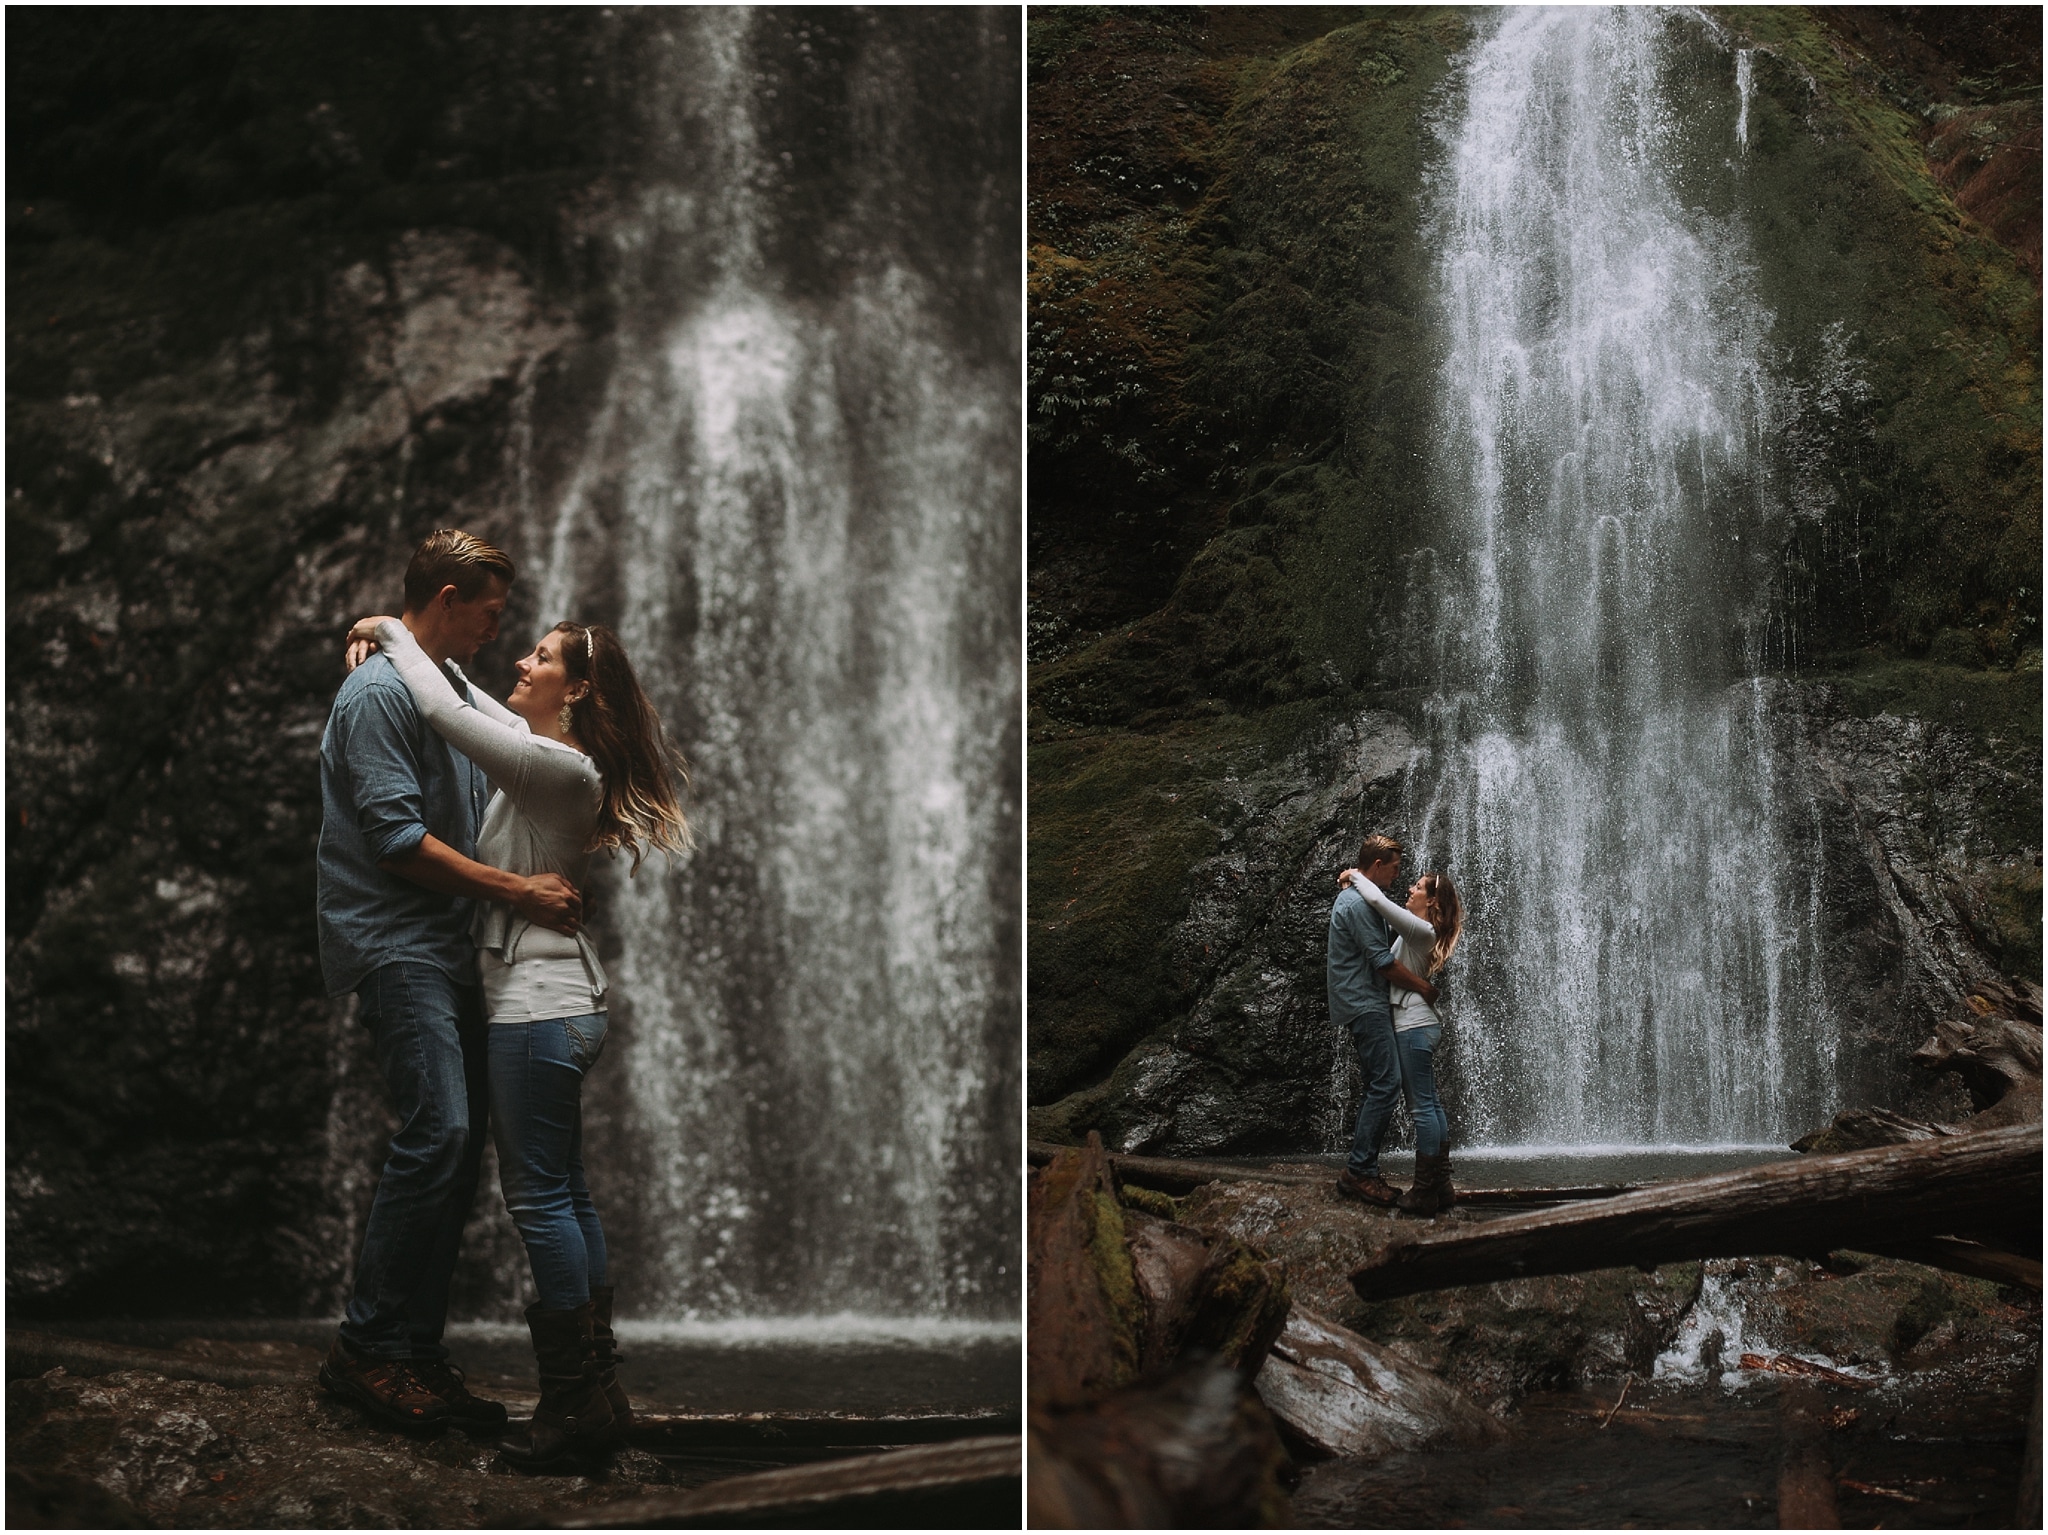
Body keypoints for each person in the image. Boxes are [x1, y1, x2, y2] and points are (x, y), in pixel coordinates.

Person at [343, 601, 690, 1466]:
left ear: (574, 691)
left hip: (537, 1008)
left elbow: (445, 711)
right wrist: (422, 641)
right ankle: (599, 1388)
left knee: (539, 1198)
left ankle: (571, 1402)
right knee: (566, 1192)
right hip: (561, 1004)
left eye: (540, 657)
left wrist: (390, 630)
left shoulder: (552, 767)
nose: (522, 664)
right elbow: (473, 697)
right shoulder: (557, 760)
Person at [316, 530, 583, 1438]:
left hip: (446, 937)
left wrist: (380, 623)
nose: (499, 632)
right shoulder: (380, 693)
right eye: (489, 611)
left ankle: (413, 1355)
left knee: (458, 1147)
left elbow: (473, 708)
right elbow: (395, 841)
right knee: (444, 1129)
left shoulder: (440, 685)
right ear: (444, 597)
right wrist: (519, 891)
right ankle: (368, 1350)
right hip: (397, 939)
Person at [1342, 865, 1464, 1215]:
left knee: (1422, 1108)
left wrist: (1356, 876)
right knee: (1431, 1105)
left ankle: (1425, 1192)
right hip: (1419, 1024)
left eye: (1418, 887)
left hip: (1412, 1026)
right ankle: (1441, 1186)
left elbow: (1378, 901)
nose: (1410, 889)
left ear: (1432, 901)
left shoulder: (1421, 930)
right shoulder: (1423, 933)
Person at [1326, 834, 1439, 1206]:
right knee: (1386, 1082)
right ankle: (1360, 1172)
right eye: (1394, 868)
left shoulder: (1360, 899)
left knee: (1384, 1082)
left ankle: (1363, 1169)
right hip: (1365, 1002)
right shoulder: (1357, 904)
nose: (1398, 876)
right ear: (1376, 866)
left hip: (1367, 1001)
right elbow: (1384, 963)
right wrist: (1423, 986)